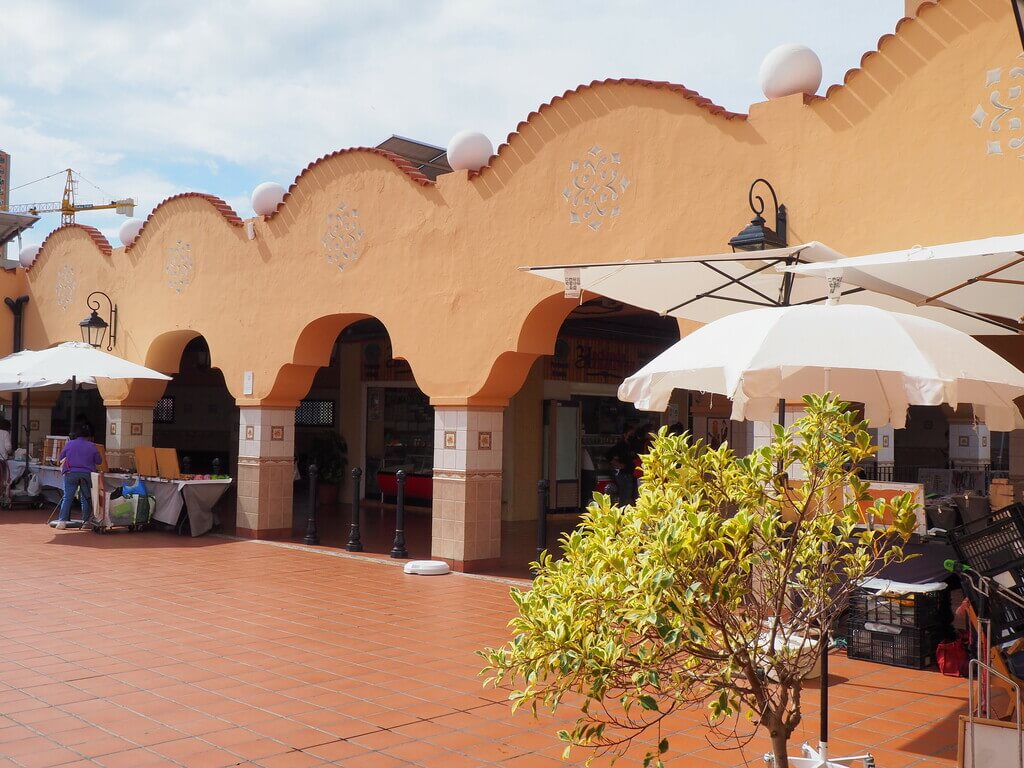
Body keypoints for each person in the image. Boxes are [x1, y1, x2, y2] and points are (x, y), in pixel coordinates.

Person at [55, 425, 102, 530]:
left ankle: (62, 522)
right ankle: (85, 522)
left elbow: (61, 457)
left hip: (71, 473)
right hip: (87, 474)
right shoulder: (92, 445)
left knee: (67, 497)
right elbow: (99, 461)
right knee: (85, 498)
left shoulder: (70, 444)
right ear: (88, 436)